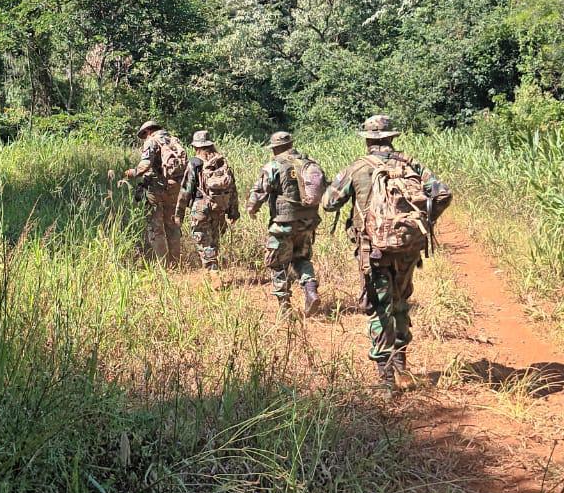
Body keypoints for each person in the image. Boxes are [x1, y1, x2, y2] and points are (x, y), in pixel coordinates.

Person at [322, 114, 452, 391]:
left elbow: (329, 203)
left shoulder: (358, 168)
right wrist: (422, 225)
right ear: (392, 137)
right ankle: (401, 366)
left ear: (368, 139)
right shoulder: (411, 164)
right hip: (407, 249)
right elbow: (442, 195)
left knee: (380, 308)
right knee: (400, 302)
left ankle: (384, 380)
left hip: (374, 251)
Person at [247, 131, 323, 317]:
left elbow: (259, 192)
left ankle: (284, 308)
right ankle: (310, 289)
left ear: (276, 148)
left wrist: (252, 208)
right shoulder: (307, 162)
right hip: (307, 222)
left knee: (278, 264)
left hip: (283, 224)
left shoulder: (274, 165)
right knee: (302, 259)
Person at [122, 120, 186, 265]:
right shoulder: (173, 140)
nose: (144, 138)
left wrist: (132, 173)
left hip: (156, 187)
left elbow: (145, 165)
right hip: (175, 187)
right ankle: (176, 263)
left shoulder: (151, 141)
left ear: (148, 131)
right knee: (172, 224)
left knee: (155, 226)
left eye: (144, 135)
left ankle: (163, 265)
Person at [174, 130, 240, 271]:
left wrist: (179, 214)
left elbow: (185, 190)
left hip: (200, 209)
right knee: (214, 241)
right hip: (219, 207)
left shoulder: (194, 163)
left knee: (204, 243)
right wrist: (233, 212)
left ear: (196, 147)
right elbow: (232, 189)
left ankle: (213, 273)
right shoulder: (222, 162)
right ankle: (214, 269)